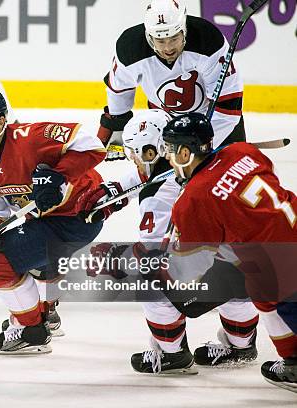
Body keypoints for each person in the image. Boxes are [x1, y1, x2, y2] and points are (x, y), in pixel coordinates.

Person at [76, 110, 259, 374]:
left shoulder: (158, 196)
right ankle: (242, 344)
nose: (135, 162)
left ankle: (172, 354)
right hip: (255, 264)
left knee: (149, 280)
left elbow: (154, 256)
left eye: (136, 155)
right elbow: (146, 176)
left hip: (208, 273)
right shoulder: (208, 161)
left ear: (153, 152)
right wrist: (112, 194)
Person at [0, 88, 106, 354]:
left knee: (0, 262)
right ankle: (46, 315)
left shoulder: (30, 138)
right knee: (33, 260)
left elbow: (92, 146)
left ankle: (32, 331)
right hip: (49, 221)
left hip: (79, 215)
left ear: (0, 122)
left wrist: (59, 175)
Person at [138, 112, 295, 390]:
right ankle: (243, 345)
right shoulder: (242, 150)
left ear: (186, 152)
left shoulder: (194, 198)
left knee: (154, 282)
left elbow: (189, 271)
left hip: (277, 268)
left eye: (172, 151)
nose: (170, 158)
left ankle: (172, 354)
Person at [99, 0, 245, 161]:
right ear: (149, 36)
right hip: (165, 126)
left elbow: (228, 109)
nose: (168, 48)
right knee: (166, 184)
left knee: (234, 175)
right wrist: (117, 126)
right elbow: (119, 89)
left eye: (174, 38)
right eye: (160, 41)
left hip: (215, 124)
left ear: (184, 30)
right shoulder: (130, 48)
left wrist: (200, 143)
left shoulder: (208, 40)